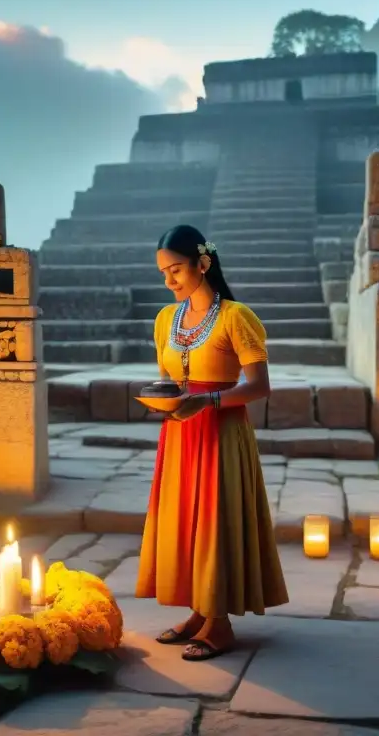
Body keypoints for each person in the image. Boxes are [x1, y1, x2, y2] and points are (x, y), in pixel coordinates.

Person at [135, 224, 289, 662]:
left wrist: (207, 401)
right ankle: (197, 613)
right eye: (163, 272)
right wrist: (165, 403)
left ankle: (219, 624)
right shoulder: (166, 319)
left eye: (177, 269)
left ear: (203, 263)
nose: (169, 281)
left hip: (221, 431)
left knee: (215, 520)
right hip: (180, 432)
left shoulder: (236, 317)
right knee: (183, 518)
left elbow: (259, 386)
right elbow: (167, 381)